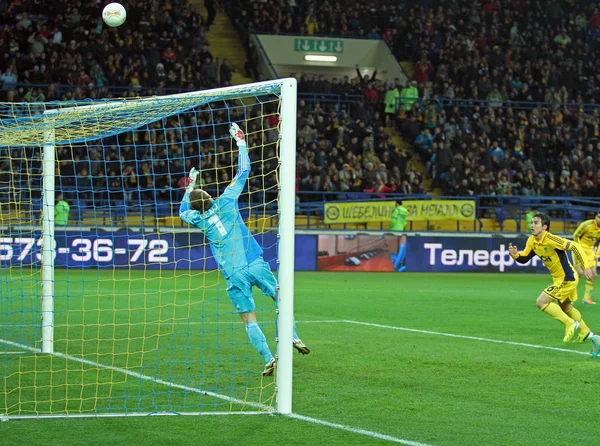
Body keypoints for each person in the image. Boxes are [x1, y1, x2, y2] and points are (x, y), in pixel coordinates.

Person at [179, 123, 310, 377]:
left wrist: (188, 188)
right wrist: (240, 142)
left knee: (248, 318)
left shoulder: (198, 219)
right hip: (253, 262)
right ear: (208, 195)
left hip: (232, 272)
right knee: (281, 299)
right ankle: (292, 336)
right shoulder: (226, 199)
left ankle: (268, 358)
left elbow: (183, 211)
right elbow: (244, 170)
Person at [508, 213, 598, 351]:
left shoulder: (551, 239)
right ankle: (586, 332)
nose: (532, 225)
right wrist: (515, 255)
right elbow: (525, 257)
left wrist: (585, 266)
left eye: (536, 223)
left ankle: (569, 323)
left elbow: (575, 246)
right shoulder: (532, 241)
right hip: (560, 279)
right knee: (566, 307)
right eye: (532, 222)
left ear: (544, 227)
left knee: (541, 302)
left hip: (567, 279)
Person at [573, 211, 600, 305]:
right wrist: (578, 248)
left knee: (593, 274)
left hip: (590, 251)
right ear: (595, 217)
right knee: (578, 273)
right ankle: (568, 296)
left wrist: (597, 254)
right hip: (579, 248)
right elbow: (576, 235)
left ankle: (587, 298)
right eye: (599, 217)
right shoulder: (586, 224)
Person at [389, 201, 408, 272]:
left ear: (397, 203)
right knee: (401, 244)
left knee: (394, 245)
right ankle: (398, 264)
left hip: (394, 229)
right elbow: (405, 222)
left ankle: (394, 264)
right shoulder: (405, 211)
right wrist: (402, 227)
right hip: (401, 229)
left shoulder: (396, 210)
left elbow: (393, 220)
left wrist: (390, 227)